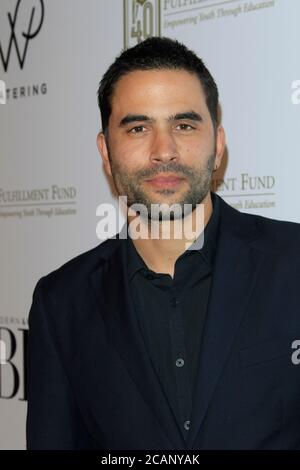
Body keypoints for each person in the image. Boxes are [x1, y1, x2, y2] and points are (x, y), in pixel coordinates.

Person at [26, 36, 300, 450]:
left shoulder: (293, 263)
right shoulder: (61, 302)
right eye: (138, 128)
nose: (164, 151)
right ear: (106, 151)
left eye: (184, 125)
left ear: (218, 144)